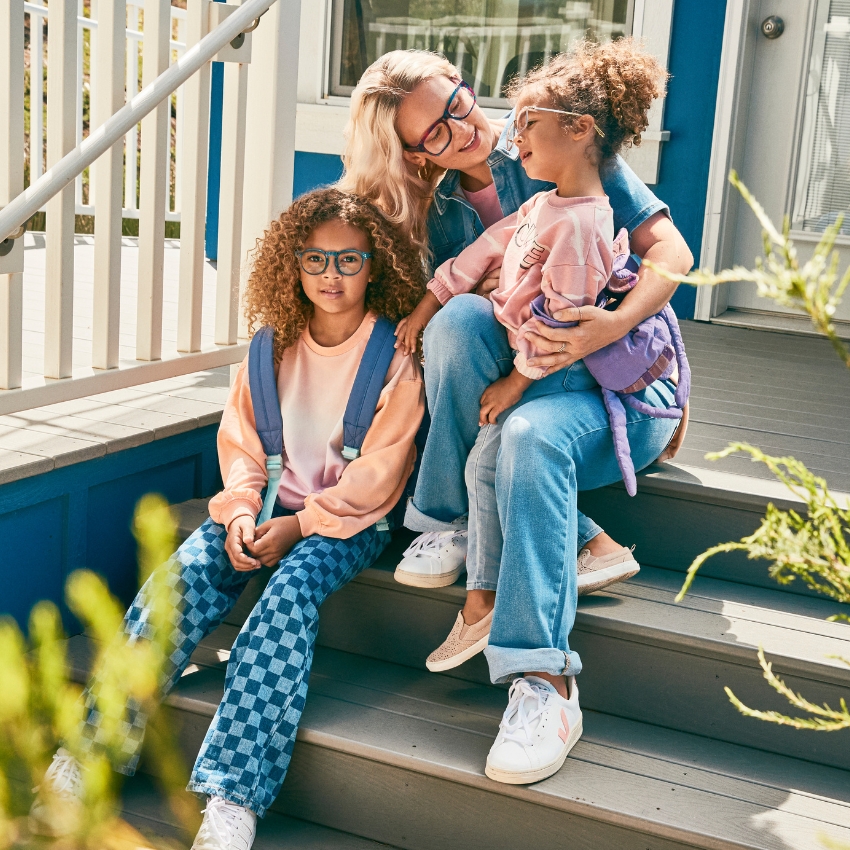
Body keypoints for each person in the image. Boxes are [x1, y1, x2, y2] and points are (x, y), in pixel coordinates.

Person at [29, 189, 426, 850]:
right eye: (316, 259)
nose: (332, 275)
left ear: (374, 266)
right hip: (264, 507)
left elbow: (380, 471)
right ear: (292, 264)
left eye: (349, 260)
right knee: (179, 580)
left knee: (285, 602)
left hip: (345, 522)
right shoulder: (270, 348)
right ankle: (91, 749)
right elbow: (241, 446)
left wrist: (303, 526)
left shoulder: (392, 357)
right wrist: (243, 512)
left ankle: (232, 798)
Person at [339, 43, 692, 784]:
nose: (467, 127)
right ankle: (505, 528)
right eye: (434, 131)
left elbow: (671, 257)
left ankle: (546, 683)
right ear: (408, 153)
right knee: (459, 324)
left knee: (524, 434)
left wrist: (614, 326)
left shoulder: (562, 144)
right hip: (532, 385)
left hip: (605, 385)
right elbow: (430, 319)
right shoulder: (430, 211)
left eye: (459, 100)